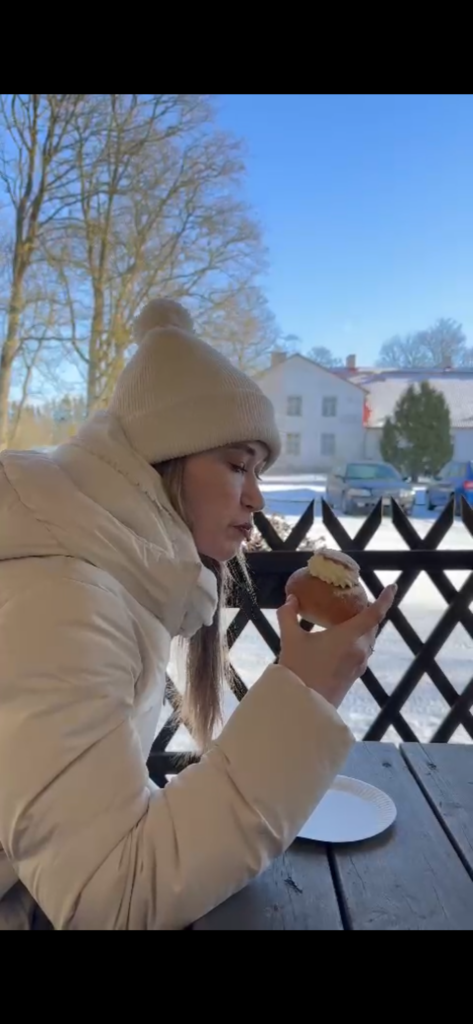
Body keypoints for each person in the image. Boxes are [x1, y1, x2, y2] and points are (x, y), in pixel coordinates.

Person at [0, 299, 396, 930]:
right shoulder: (64, 598)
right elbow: (113, 895)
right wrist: (305, 694)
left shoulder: (112, 575)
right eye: (238, 465)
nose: (258, 496)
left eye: (259, 470)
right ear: (160, 463)